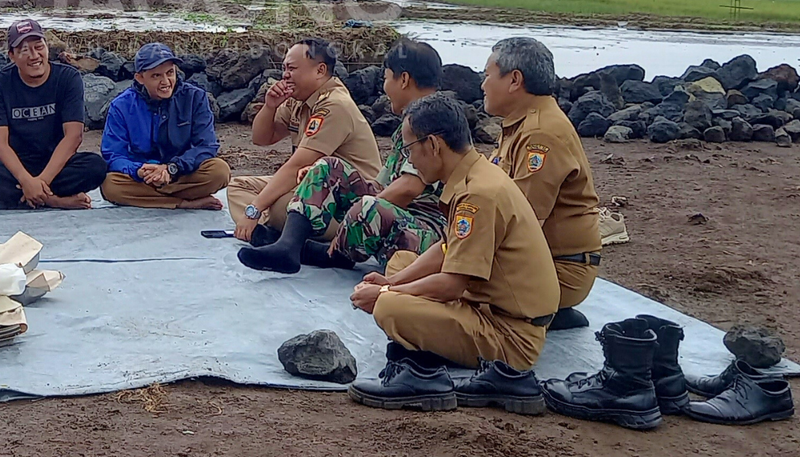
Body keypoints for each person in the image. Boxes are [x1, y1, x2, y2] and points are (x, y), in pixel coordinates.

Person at [347, 94, 559, 412]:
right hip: (494, 309)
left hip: (511, 336)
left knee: (390, 307)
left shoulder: (477, 195)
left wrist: (387, 291)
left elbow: (451, 284)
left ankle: (423, 374)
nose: (411, 160)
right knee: (402, 261)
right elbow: (447, 248)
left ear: (433, 145)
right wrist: (393, 279)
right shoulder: (476, 174)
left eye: (409, 149)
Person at [237, 37, 450, 274]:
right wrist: (324, 180)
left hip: (425, 227)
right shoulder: (412, 121)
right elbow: (382, 183)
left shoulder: (432, 120)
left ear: (404, 80)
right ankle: (288, 247)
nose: (384, 87)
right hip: (397, 213)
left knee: (362, 207)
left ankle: (330, 252)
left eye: (386, 78)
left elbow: (409, 188)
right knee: (327, 167)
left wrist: (356, 211)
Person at [482, 36, 603, 330]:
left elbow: (522, 222)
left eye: (487, 75)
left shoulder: (541, 133)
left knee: (445, 288)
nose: (483, 85)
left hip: (557, 269)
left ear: (514, 80)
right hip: (540, 262)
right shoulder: (521, 123)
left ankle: (540, 307)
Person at [228, 38, 382, 243]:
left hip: (348, 203)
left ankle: (271, 229)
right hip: (310, 188)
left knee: (280, 205)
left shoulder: (335, 105)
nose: (285, 75)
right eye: (284, 68)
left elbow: (299, 165)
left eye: (291, 68)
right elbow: (261, 138)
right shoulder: (298, 99)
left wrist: (254, 209)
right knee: (238, 187)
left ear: (320, 70)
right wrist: (270, 106)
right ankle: (272, 231)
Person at [0, 19, 108, 209]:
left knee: (96, 166)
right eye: (24, 50)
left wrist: (40, 182)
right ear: (12, 55)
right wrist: (26, 181)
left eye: (39, 47)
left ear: (47, 47)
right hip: (15, 166)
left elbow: (73, 136)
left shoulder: (68, 78)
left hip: (55, 164)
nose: (34, 55)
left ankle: (11, 195)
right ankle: (54, 201)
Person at [99, 43, 230, 209]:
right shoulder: (121, 106)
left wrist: (172, 168)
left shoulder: (195, 97)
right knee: (110, 185)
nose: (166, 82)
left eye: (170, 73)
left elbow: (206, 146)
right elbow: (113, 155)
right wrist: (138, 170)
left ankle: (155, 199)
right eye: (156, 76)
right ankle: (182, 203)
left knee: (219, 171)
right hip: (144, 178)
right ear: (140, 78)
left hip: (181, 173)